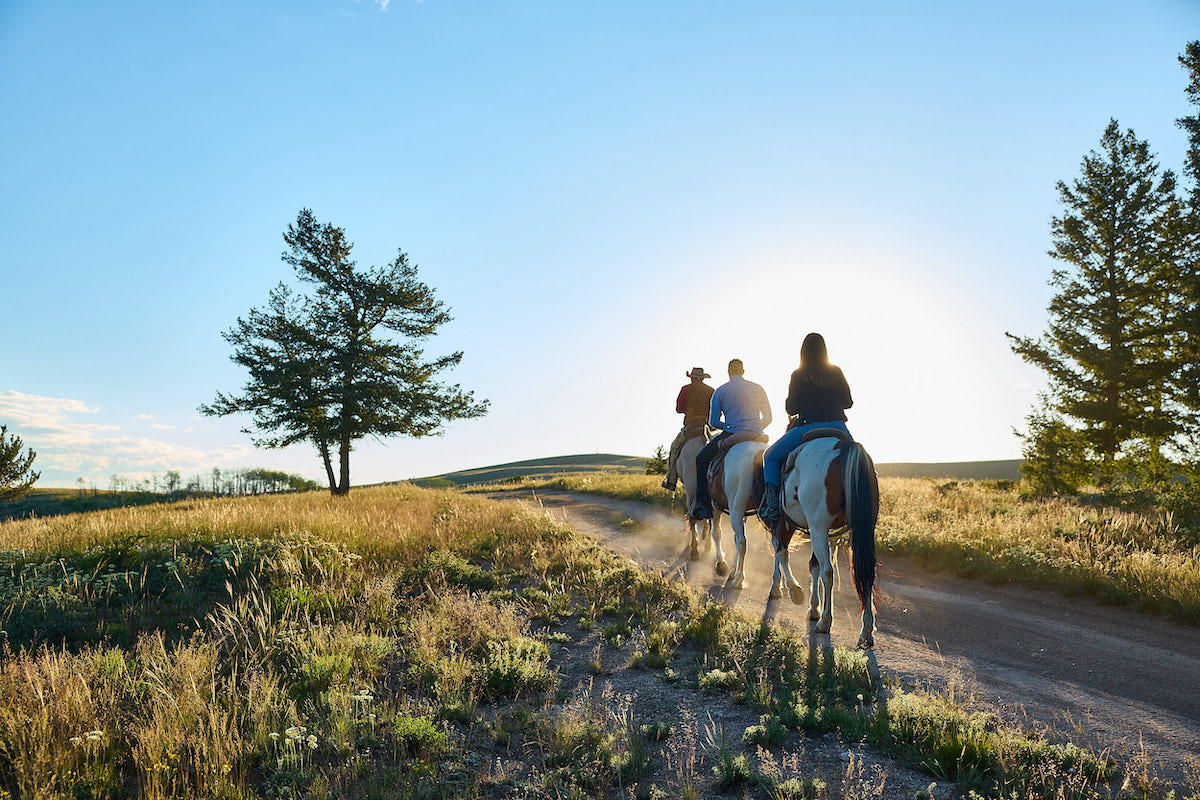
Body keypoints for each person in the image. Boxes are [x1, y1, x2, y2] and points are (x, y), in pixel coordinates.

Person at [759, 332, 854, 525]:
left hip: (807, 429)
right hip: (838, 428)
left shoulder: (798, 374)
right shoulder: (836, 371)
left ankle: (772, 506)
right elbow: (848, 402)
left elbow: (791, 408)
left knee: (769, 456)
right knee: (860, 460)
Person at [690, 359, 772, 519]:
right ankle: (775, 502)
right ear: (743, 371)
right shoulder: (758, 388)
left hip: (731, 434)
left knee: (701, 459)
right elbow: (768, 418)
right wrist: (754, 428)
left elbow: (713, 422)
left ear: (728, 372)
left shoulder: (720, 391)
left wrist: (729, 426)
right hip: (757, 436)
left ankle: (703, 504)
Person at [662, 367, 714, 491]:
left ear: (691, 378)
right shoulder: (711, 391)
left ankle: (671, 480)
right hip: (707, 427)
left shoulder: (686, 389)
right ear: (702, 378)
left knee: (674, 448)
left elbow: (679, 409)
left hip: (691, 427)